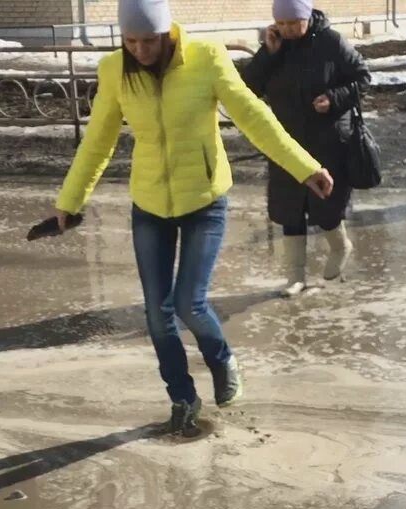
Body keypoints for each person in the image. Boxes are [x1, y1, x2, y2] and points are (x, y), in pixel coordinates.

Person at [53, 0, 335, 434]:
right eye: (130, 41)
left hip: (204, 200)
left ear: (167, 33)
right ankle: (182, 398)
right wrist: (71, 201)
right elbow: (97, 141)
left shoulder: (206, 58)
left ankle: (222, 361)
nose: (140, 50)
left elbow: (254, 118)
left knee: (189, 302)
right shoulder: (114, 70)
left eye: (149, 40)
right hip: (149, 205)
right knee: (156, 311)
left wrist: (305, 167)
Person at [242, 0, 371, 298]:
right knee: (290, 208)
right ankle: (294, 277)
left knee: (326, 203)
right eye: (281, 23)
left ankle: (340, 246)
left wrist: (333, 98)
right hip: (285, 141)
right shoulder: (276, 46)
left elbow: (362, 77)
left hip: (326, 140)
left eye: (293, 23)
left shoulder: (331, 42)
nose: (286, 30)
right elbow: (248, 88)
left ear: (307, 17)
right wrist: (268, 55)